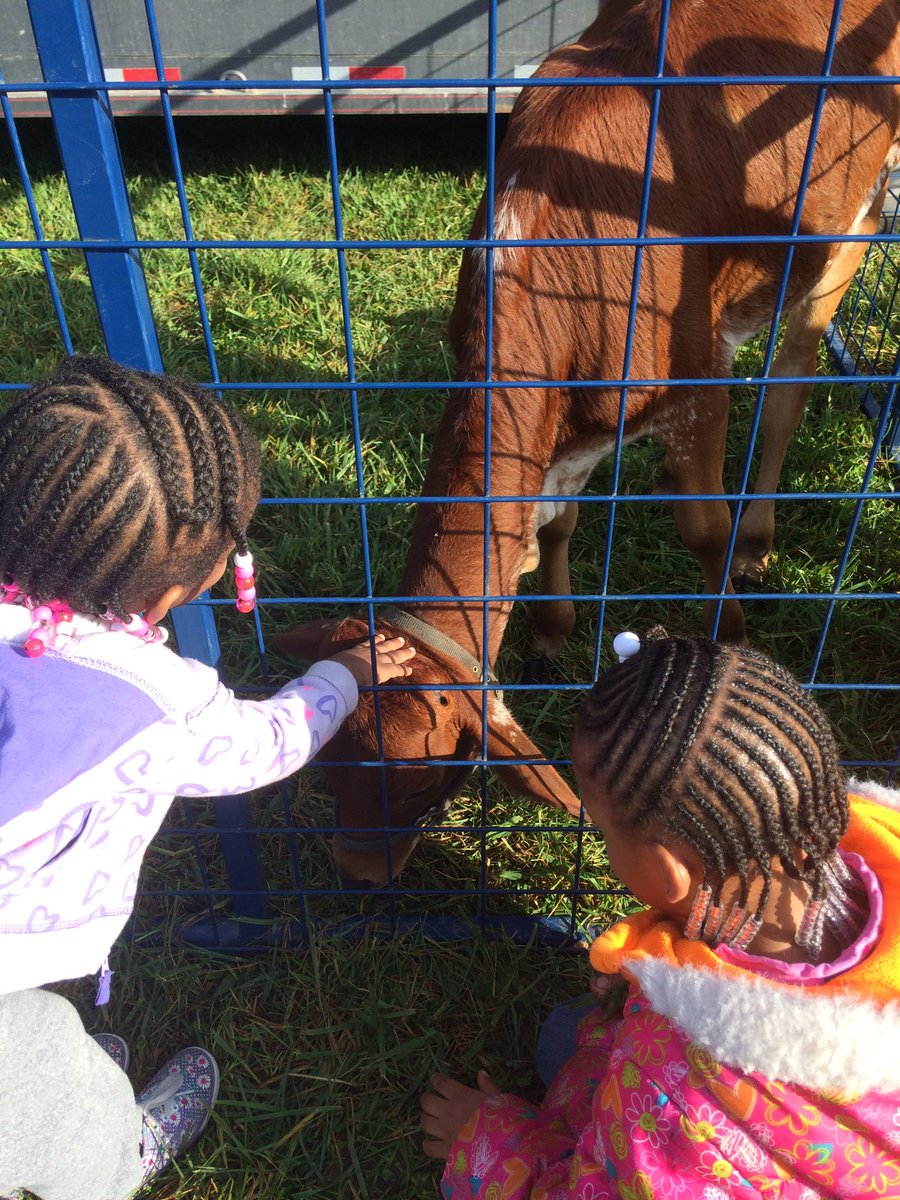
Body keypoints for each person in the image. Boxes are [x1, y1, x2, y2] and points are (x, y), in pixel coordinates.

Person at [0, 355, 416, 1200]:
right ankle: (115, 1154)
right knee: (46, 1095)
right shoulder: (155, 702)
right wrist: (345, 676)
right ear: (175, 595)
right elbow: (268, 743)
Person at [421, 629, 900, 1198]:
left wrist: (493, 1143)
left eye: (605, 832)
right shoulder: (865, 844)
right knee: (569, 1031)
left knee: (558, 1042)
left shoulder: (675, 1088)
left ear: (668, 870)